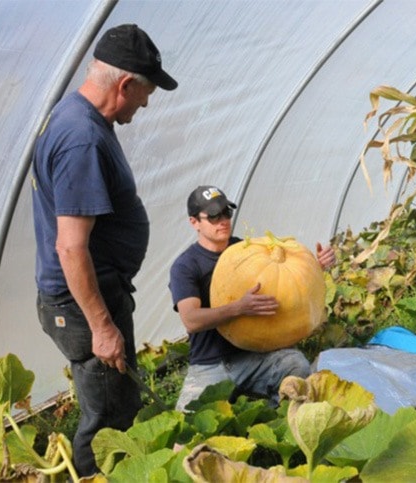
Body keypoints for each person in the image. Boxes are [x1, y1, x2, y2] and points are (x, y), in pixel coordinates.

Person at [31, 24, 177, 476]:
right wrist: (102, 326)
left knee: (116, 406)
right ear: (125, 84)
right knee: (109, 418)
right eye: (146, 92)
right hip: (83, 304)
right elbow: (71, 247)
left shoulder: (78, 116)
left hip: (91, 295)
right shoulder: (82, 138)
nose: (146, 103)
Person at [168, 185, 336, 412]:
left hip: (254, 357)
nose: (223, 220)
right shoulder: (186, 265)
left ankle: (277, 426)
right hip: (210, 364)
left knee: (296, 366)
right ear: (194, 222)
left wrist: (316, 268)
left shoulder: (247, 248)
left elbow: (282, 284)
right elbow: (191, 319)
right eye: (214, 216)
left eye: (226, 213)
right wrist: (238, 307)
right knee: (185, 434)